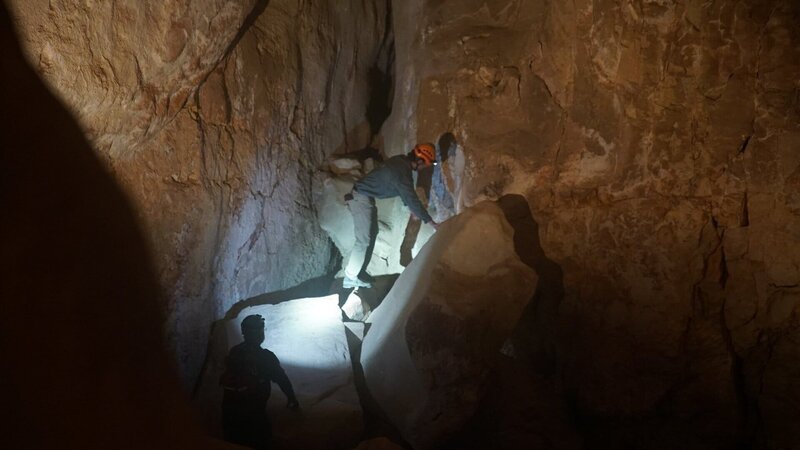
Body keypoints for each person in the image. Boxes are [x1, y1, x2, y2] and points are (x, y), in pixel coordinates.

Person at [343, 143, 439, 289]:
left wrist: (410, 205)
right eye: (426, 164)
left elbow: (404, 192)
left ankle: (359, 272)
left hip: (365, 196)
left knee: (372, 234)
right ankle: (350, 277)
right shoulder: (401, 171)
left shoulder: (401, 162)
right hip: (360, 197)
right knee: (363, 240)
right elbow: (410, 196)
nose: (426, 167)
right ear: (420, 161)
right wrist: (431, 222)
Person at [220, 314, 299, 449]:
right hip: (253, 416)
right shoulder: (265, 357)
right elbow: (281, 379)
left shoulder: (235, 351)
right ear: (259, 333)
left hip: (229, 415)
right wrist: (292, 399)